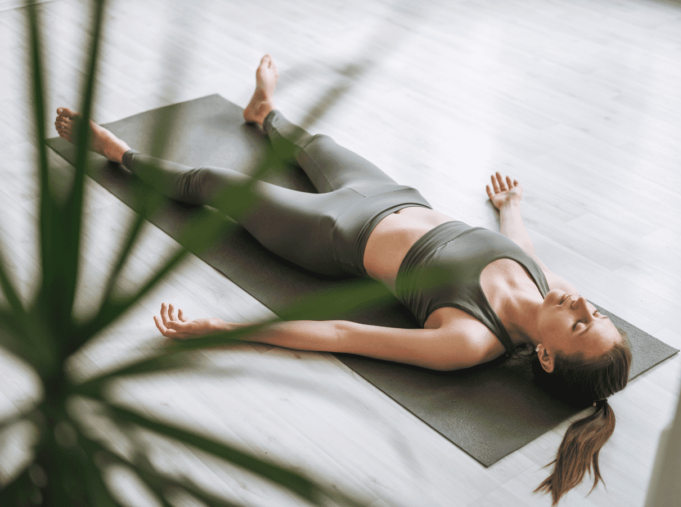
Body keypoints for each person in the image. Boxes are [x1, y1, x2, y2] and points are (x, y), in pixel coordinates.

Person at [54, 54, 631, 505]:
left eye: (580, 323)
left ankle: (118, 153)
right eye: (596, 312)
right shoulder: (549, 283)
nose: (581, 302)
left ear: (549, 357)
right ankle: (264, 113)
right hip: (395, 195)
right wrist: (511, 209)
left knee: (214, 182)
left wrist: (225, 328)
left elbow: (339, 334)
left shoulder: (470, 340)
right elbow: (520, 248)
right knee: (315, 145)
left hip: (333, 233)